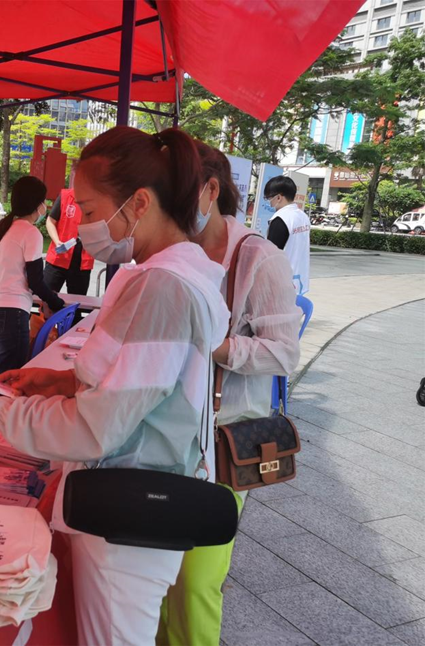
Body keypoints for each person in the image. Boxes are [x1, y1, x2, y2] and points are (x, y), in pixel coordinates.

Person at [0, 127, 230, 645]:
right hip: (134, 507)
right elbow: (146, 386)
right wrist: (61, 381)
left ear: (140, 203)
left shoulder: (160, 288)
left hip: (127, 518)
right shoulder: (178, 275)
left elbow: (98, 427)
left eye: (86, 210)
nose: (82, 227)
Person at [157, 142, 302, 646]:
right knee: (156, 571)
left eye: (172, 193)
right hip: (162, 435)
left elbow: (284, 354)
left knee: (196, 580)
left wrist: (218, 346)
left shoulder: (257, 258)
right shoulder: (173, 249)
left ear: (210, 190)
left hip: (221, 444)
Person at [0, 176, 65, 376]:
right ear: (36, 203)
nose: (45, 206)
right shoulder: (30, 233)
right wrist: (56, 302)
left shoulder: (3, 228)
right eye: (44, 201)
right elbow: (36, 281)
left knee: (3, 375)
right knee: (12, 378)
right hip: (12, 313)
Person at [44, 170, 94, 295]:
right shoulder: (65, 196)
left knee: (77, 304)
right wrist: (57, 241)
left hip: (82, 263)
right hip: (58, 258)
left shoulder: (97, 202)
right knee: (45, 300)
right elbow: (50, 222)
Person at [264, 175, 311, 295]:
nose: (269, 202)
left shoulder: (280, 219)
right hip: (298, 280)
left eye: (269, 198)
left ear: (278, 197)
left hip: (280, 284)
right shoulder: (302, 216)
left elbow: (270, 257)